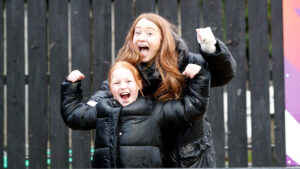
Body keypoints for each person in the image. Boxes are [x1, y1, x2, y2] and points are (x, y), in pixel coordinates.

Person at [68, 13, 236, 167]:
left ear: (163, 39)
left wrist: (210, 47)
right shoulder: (127, 69)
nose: (142, 37)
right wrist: (86, 103)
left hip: (188, 157)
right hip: (148, 158)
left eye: (149, 33)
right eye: (138, 33)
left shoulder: (186, 61)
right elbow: (105, 94)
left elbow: (223, 75)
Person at [61, 61, 211, 168]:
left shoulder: (153, 109)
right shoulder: (103, 109)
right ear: (110, 89)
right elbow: (74, 116)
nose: (123, 86)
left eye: (128, 81)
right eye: (117, 83)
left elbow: (192, 107)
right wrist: (71, 86)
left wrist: (200, 78)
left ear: (138, 84)